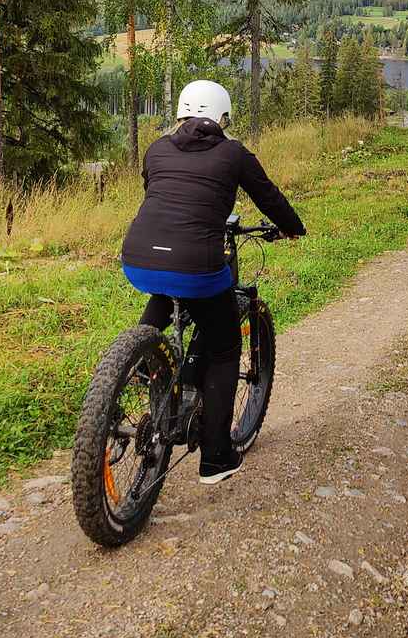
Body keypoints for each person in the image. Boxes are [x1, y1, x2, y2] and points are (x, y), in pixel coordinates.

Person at [121, 79, 305, 484]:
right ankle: (216, 457)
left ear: (182, 115)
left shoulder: (156, 149)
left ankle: (135, 362)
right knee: (223, 344)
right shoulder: (233, 153)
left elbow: (159, 194)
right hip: (198, 263)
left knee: (168, 287)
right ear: (222, 117)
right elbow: (269, 197)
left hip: (137, 257)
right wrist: (294, 228)